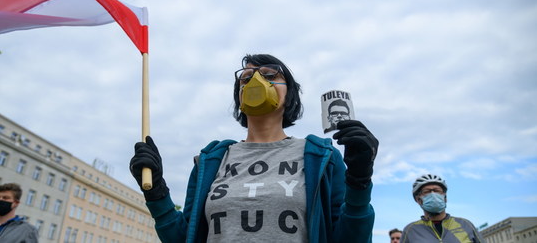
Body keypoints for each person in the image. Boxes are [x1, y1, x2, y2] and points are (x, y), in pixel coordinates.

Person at [130, 54, 379, 242]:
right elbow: (183, 238)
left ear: (290, 95)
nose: (256, 82)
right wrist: (157, 193)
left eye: (270, 75)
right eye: (246, 79)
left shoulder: (320, 157)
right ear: (239, 97)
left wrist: (359, 181)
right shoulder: (211, 162)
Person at [401, 174, 485, 243]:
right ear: (418, 200)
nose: (433, 194)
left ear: (445, 197)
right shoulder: (410, 230)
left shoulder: (465, 225)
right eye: (427, 191)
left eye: (437, 190)